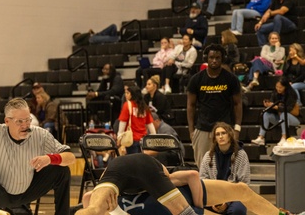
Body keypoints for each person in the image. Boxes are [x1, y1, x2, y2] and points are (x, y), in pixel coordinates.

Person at [75, 153, 302, 215]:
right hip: (143, 187)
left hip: (125, 183)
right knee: (241, 192)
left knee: (92, 207)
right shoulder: (162, 175)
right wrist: (199, 205)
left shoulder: (164, 178)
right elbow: (192, 176)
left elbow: (88, 202)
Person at [187, 44, 242, 168]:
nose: (214, 60)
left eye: (218, 57)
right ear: (206, 58)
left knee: (226, 167)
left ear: (222, 59)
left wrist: (237, 128)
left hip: (225, 128)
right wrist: (191, 131)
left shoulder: (231, 79)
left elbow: (238, 104)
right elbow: (190, 105)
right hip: (203, 128)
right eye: (211, 57)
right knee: (203, 167)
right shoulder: (196, 79)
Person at [200, 122, 250, 215]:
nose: (220, 136)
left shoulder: (240, 154)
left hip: (235, 196)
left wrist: (227, 202)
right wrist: (213, 201)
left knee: (237, 210)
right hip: (214, 195)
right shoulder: (208, 156)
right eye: (217, 134)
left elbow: (244, 183)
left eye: (223, 133)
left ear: (230, 135)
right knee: (196, 207)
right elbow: (202, 180)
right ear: (215, 138)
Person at [251, 77, 300, 146]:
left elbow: (288, 109)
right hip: (279, 118)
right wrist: (268, 106)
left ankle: (284, 137)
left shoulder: (291, 94)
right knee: (266, 114)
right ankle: (261, 137)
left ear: (285, 87)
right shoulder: (275, 93)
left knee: (283, 114)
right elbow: (273, 108)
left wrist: (276, 107)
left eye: (280, 87)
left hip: (293, 118)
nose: (278, 89)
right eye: (277, 87)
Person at [117, 86, 156, 154]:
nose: (126, 95)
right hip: (143, 140)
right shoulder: (144, 106)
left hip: (131, 140)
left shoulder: (127, 105)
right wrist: (154, 137)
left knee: (133, 162)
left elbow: (122, 123)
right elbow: (150, 124)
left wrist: (119, 137)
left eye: (128, 93)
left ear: (132, 94)